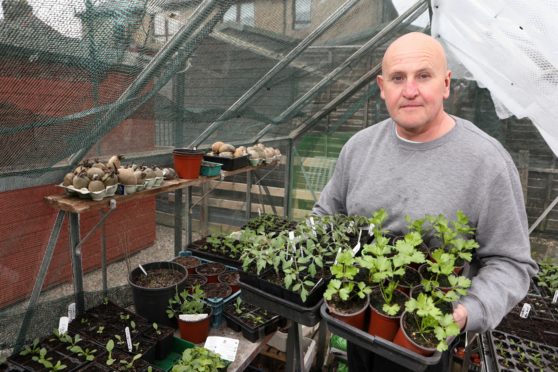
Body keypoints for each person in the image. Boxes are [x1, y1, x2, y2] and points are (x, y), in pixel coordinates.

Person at [313, 32, 538, 371]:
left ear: (446, 84)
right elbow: (325, 216)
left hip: (426, 341)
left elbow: (512, 264)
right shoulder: (358, 149)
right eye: (397, 78)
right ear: (382, 86)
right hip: (358, 325)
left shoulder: (486, 162)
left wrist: (462, 313)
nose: (410, 90)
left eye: (423, 75)